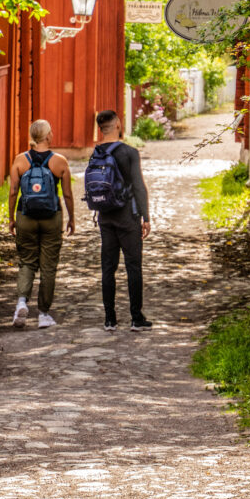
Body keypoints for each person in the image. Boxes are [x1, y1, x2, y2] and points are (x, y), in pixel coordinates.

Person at [8, 120, 75, 329]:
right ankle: (44, 314)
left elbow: (12, 192)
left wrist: (11, 218)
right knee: (48, 267)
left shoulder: (20, 160)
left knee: (27, 261)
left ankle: (21, 302)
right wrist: (72, 218)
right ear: (48, 136)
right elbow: (67, 194)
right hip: (51, 217)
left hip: (25, 216)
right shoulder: (60, 161)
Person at [91, 110, 151, 332]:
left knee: (108, 268)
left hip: (105, 217)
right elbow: (138, 185)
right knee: (133, 266)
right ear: (117, 124)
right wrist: (146, 217)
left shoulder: (96, 153)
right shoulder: (129, 152)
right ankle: (136, 318)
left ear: (100, 128)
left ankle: (110, 319)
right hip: (128, 217)